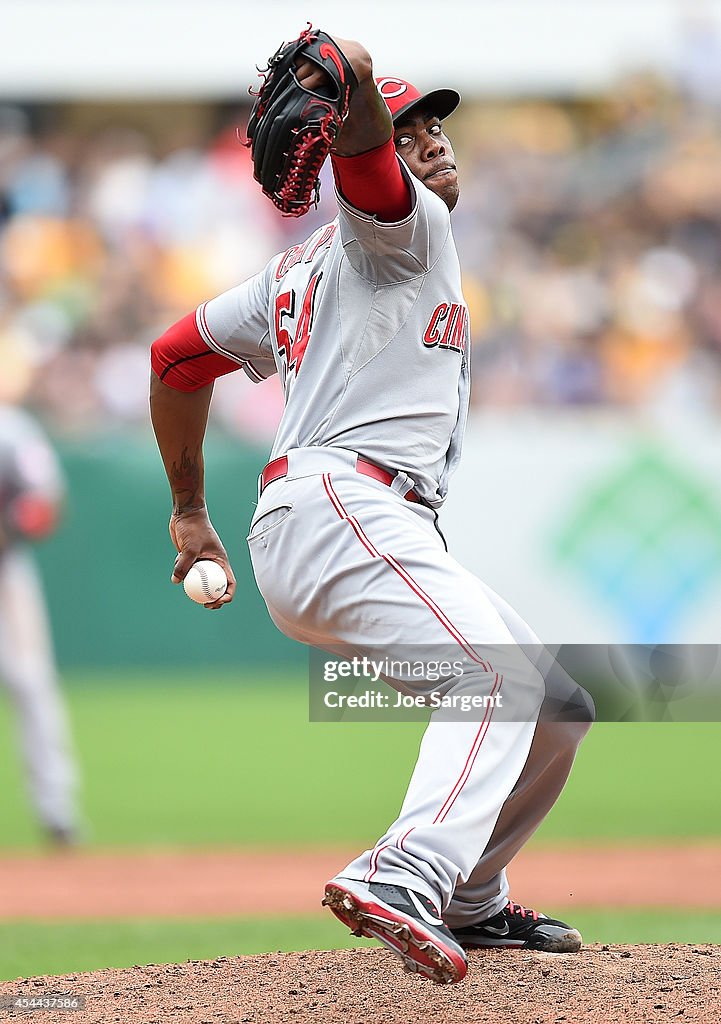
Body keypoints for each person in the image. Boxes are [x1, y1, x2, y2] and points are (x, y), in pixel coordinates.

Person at [150, 33, 592, 984]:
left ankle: (471, 898)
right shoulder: (401, 222)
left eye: (437, 124)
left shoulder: (292, 273)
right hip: (343, 506)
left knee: (555, 706)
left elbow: (177, 359)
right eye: (408, 129)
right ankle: (406, 873)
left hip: (340, 521)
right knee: (492, 681)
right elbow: (366, 157)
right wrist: (346, 68)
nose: (431, 142)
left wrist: (191, 512)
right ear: (368, 153)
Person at [0, 401, 80, 846]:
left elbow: (46, 501)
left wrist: (8, 528)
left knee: (31, 682)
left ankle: (57, 813)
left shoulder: (12, 428)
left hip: (6, 571)